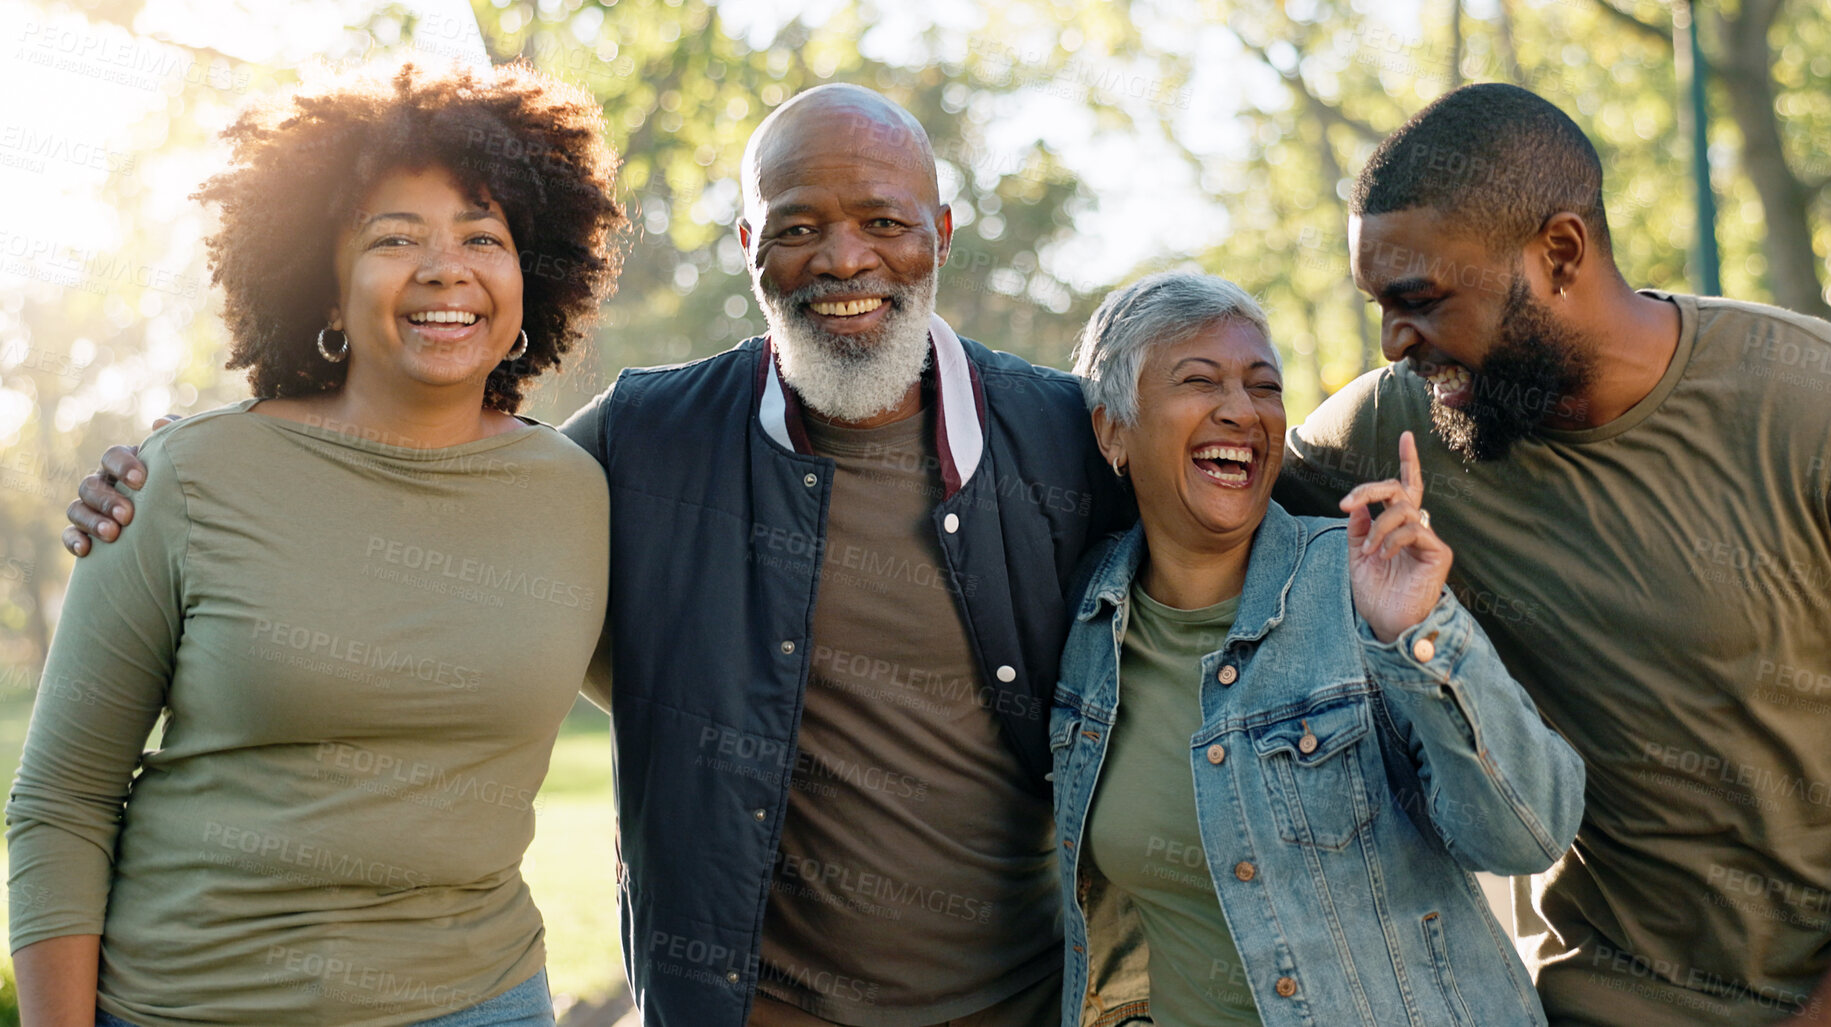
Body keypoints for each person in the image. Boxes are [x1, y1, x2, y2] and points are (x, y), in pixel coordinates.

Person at [63, 83, 1129, 1026]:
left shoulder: (1064, 437)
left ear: (939, 229)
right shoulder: (643, 436)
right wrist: (192, 461)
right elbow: (420, 495)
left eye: (884, 222)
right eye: (798, 225)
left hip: (1015, 998)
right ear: (748, 245)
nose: (844, 258)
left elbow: (1245, 520)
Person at [1273, 83, 1831, 1026]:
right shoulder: (1394, 428)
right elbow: (1194, 487)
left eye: (1420, 300)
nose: (1393, 340)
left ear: (1558, 253)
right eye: (1380, 303)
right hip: (1603, 999)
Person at [11, 62, 624, 1027]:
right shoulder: (182, 478)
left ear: (530, 279)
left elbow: (695, 695)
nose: (444, 267)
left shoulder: (579, 492)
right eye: (394, 238)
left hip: (481, 1000)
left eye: (482, 236)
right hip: (192, 1005)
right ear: (325, 290)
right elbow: (63, 798)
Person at [1054, 271, 1582, 1026]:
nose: (1240, 410)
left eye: (1263, 386)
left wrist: (1419, 635)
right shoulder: (1081, 624)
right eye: (1199, 380)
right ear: (1112, 429)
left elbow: (1529, 831)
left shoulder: (1359, 580)